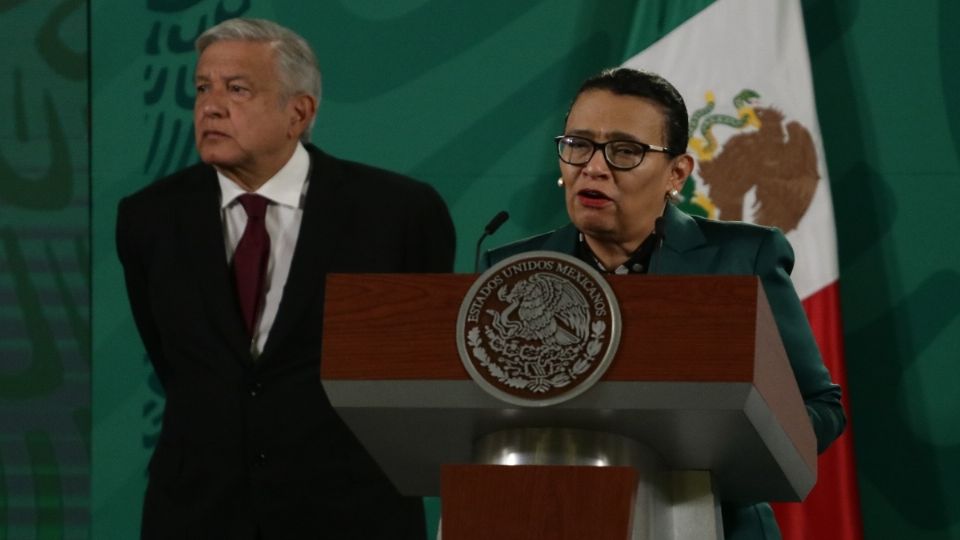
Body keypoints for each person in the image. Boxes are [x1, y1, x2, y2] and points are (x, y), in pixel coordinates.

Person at [116, 18, 455, 539]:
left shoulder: (398, 214)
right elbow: (175, 364)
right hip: (199, 513)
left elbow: (418, 367)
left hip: (351, 513)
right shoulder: (149, 219)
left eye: (238, 89)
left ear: (299, 112)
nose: (210, 106)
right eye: (202, 88)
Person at [481, 67, 845, 539]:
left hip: (713, 522)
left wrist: (721, 450)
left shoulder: (741, 258)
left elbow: (819, 408)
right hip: (552, 519)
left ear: (677, 173)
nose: (593, 166)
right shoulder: (512, 270)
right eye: (578, 144)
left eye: (625, 151)